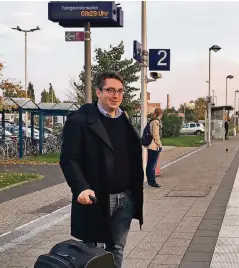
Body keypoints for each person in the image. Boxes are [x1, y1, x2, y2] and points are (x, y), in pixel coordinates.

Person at [59, 71, 144, 268]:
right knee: (92, 250)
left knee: (117, 248)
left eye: (120, 91)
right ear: (98, 92)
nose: (116, 95)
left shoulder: (124, 119)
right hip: (96, 198)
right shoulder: (80, 121)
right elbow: (69, 158)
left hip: (125, 198)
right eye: (110, 90)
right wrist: (80, 187)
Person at [146, 108, 163, 188]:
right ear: (160, 114)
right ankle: (152, 182)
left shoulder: (151, 121)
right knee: (152, 165)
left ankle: (149, 181)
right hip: (154, 146)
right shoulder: (156, 122)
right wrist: (160, 145)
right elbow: (155, 135)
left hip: (150, 146)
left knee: (149, 164)